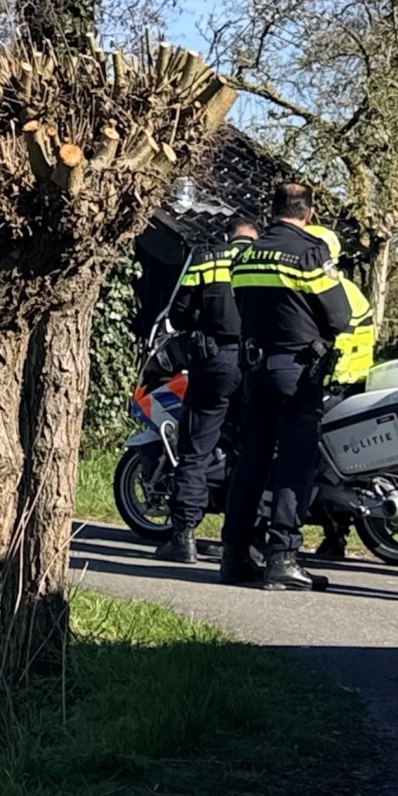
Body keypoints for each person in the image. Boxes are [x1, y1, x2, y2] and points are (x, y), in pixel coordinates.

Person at [219, 182, 352, 592]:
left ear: (272, 210)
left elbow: (243, 305)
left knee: (251, 463)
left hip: (254, 371)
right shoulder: (311, 254)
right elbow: (340, 315)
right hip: (298, 374)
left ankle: (235, 556)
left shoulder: (245, 256)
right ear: (309, 213)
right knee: (295, 464)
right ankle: (283, 557)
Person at [155, 210, 259, 563]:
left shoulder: (207, 258)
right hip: (256, 365)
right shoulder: (266, 259)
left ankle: (183, 537)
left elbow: (178, 315)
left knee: (195, 449)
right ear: (255, 238)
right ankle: (241, 540)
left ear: (227, 236)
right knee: (250, 453)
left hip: (214, 363)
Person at [307, 224, 377, 563]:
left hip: (330, 383)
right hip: (354, 381)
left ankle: (272, 527)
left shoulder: (326, 289)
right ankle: (334, 535)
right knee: (332, 464)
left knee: (300, 456)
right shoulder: (350, 289)